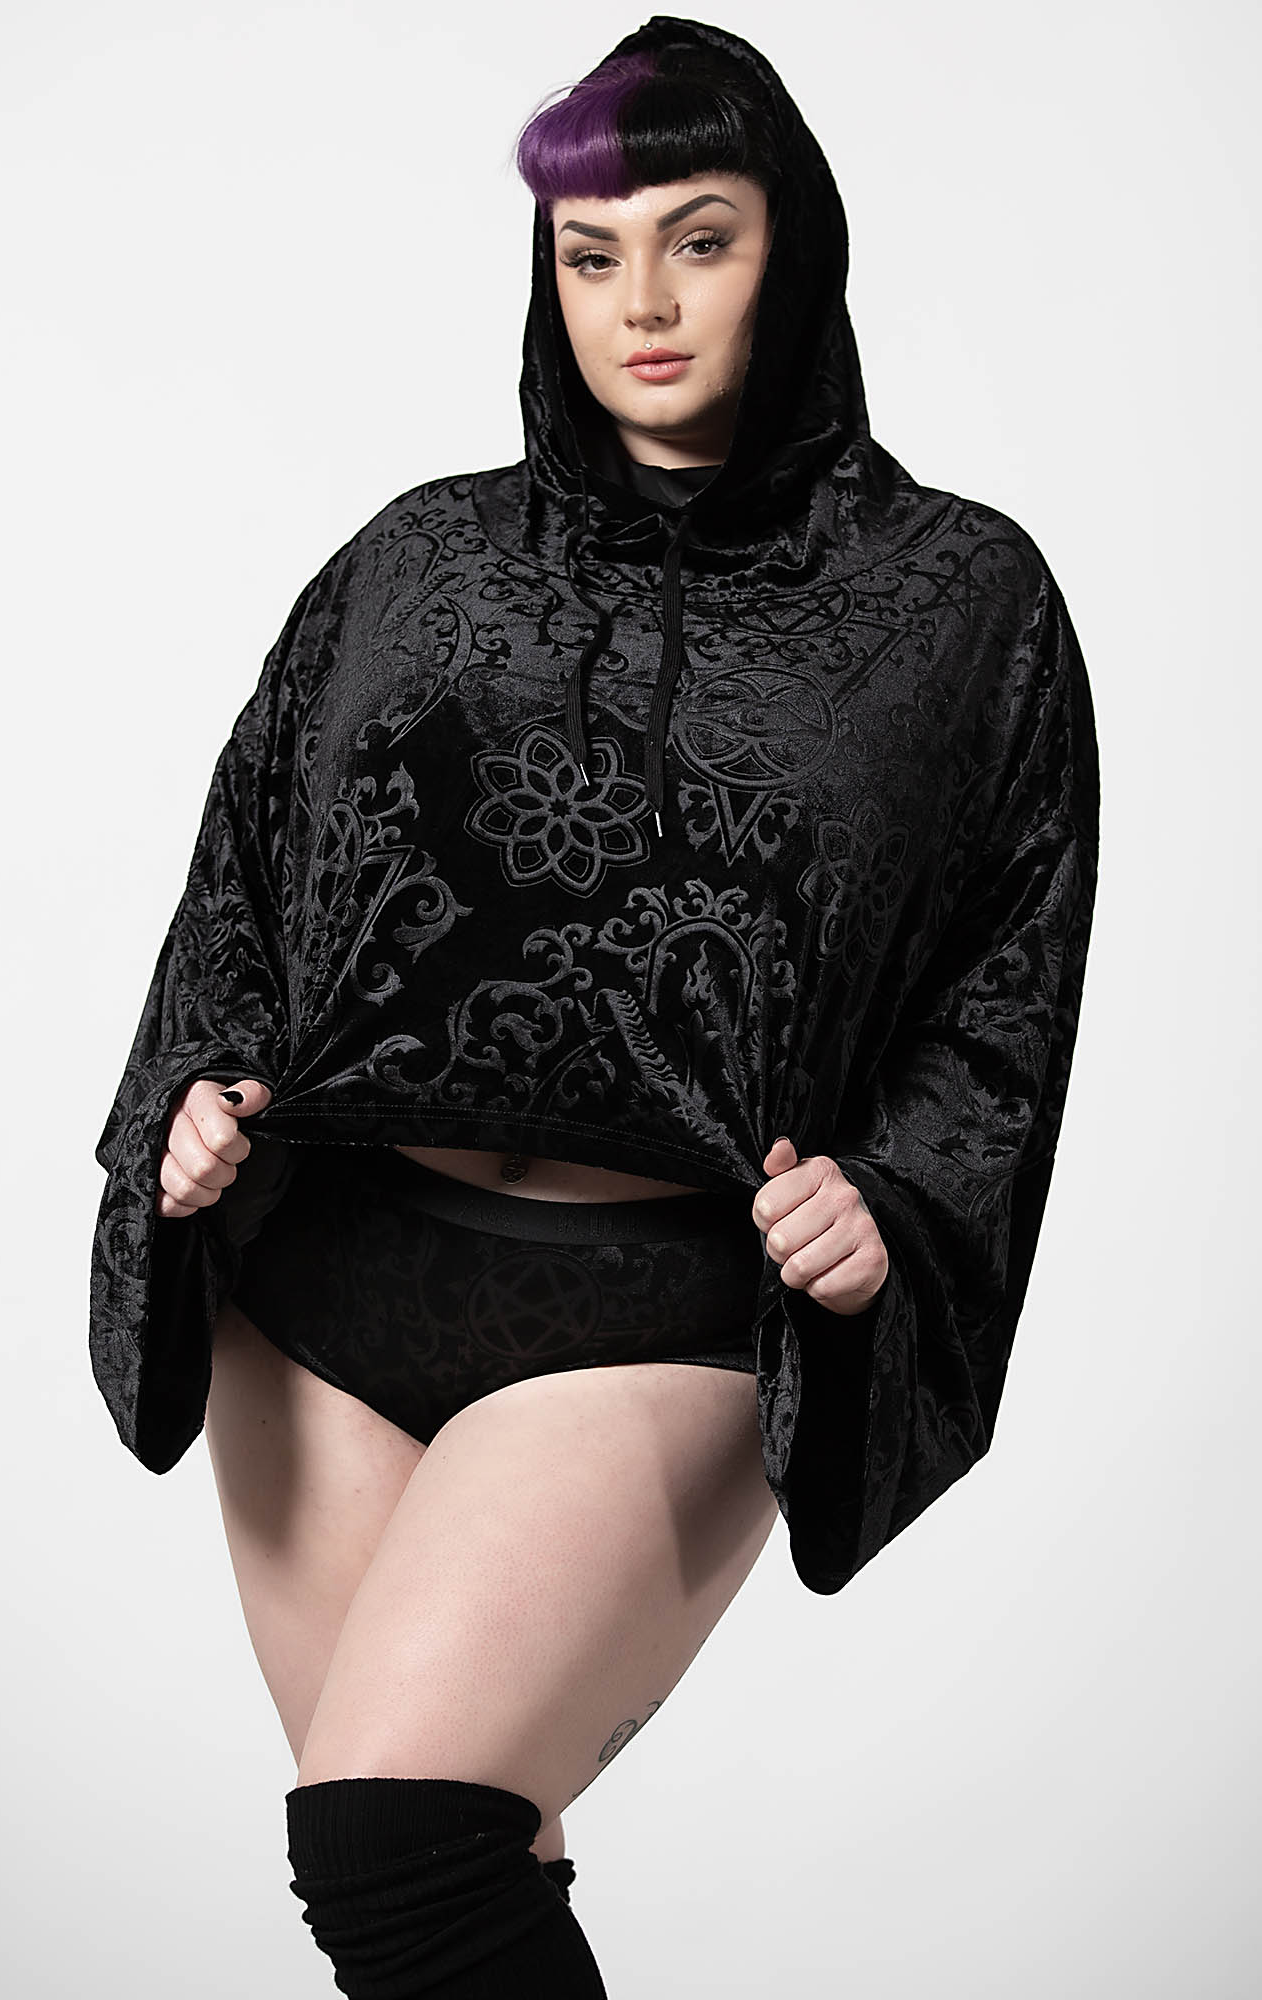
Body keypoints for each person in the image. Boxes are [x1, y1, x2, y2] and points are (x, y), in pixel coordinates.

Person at [88, 15, 1100, 1995]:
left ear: (791, 251)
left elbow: (1003, 980)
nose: (640, 301)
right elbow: (246, 879)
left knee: (398, 1837)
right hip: (322, 1291)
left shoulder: (958, 600)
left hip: (657, 1305)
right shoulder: (415, 557)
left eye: (698, 241)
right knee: (444, 1895)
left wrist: (890, 1196)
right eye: (590, 251)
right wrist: (194, 1097)